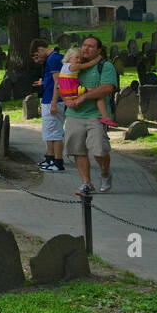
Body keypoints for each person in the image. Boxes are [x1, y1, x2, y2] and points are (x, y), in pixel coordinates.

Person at [62, 36, 119, 196]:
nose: (86, 49)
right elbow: (62, 84)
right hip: (74, 114)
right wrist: (65, 99)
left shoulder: (105, 66)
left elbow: (107, 88)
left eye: (91, 47)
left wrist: (85, 96)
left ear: (99, 50)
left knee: (99, 149)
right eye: (84, 45)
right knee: (77, 149)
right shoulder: (73, 65)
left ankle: (105, 173)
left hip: (95, 115)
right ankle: (86, 182)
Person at [56, 46, 116, 127]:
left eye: (80, 58)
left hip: (65, 92)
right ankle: (105, 117)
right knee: (98, 94)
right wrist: (98, 58)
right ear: (69, 58)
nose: (79, 60)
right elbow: (89, 64)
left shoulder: (64, 67)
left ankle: (76, 105)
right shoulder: (73, 66)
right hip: (74, 90)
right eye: (76, 58)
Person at [31, 38, 65, 172]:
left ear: (40, 49)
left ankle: (58, 162)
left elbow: (58, 82)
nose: (36, 60)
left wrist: (54, 102)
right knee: (49, 132)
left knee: (55, 132)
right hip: (48, 98)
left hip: (53, 100)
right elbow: (52, 81)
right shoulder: (50, 59)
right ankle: (50, 158)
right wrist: (44, 83)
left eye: (36, 55)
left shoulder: (53, 59)